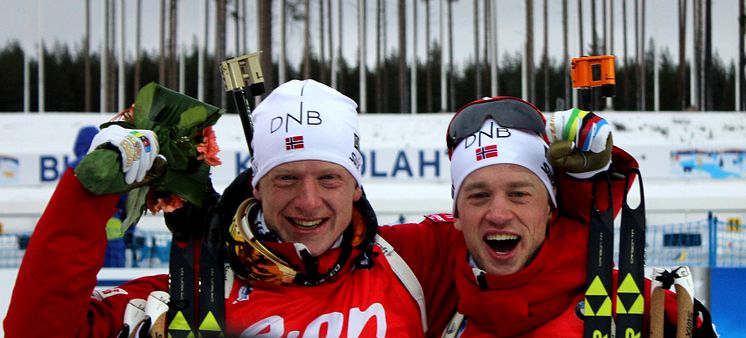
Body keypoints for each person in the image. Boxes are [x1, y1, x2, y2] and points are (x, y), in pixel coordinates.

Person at [4, 79, 459, 337]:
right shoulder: (194, 286)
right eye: (285, 178)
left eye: (329, 178)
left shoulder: (414, 263)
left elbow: (519, 249)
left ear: (355, 186)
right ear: (257, 186)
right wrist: (90, 191)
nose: (307, 200)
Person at [436, 96, 717, 337]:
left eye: (518, 194)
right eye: (479, 195)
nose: (498, 214)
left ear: (549, 207)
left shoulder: (638, 304)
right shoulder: (432, 302)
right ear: (456, 214)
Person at [69, 125, 135, 268]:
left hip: (80, 232)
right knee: (113, 281)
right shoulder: (114, 166)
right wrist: (129, 232)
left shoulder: (72, 168)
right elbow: (127, 202)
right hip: (112, 232)